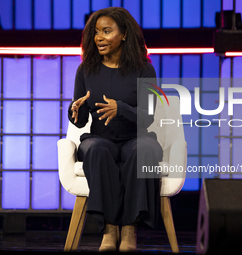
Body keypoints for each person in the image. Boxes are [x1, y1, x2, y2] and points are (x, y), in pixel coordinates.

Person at [68, 7, 163, 252]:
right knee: (97, 149)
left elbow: (149, 117)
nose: (98, 37)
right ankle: (109, 231)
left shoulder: (144, 70)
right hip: (100, 138)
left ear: (124, 35)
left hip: (135, 137)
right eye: (96, 32)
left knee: (143, 150)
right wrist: (75, 113)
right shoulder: (86, 69)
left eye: (106, 31)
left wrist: (121, 108)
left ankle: (130, 231)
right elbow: (81, 119)